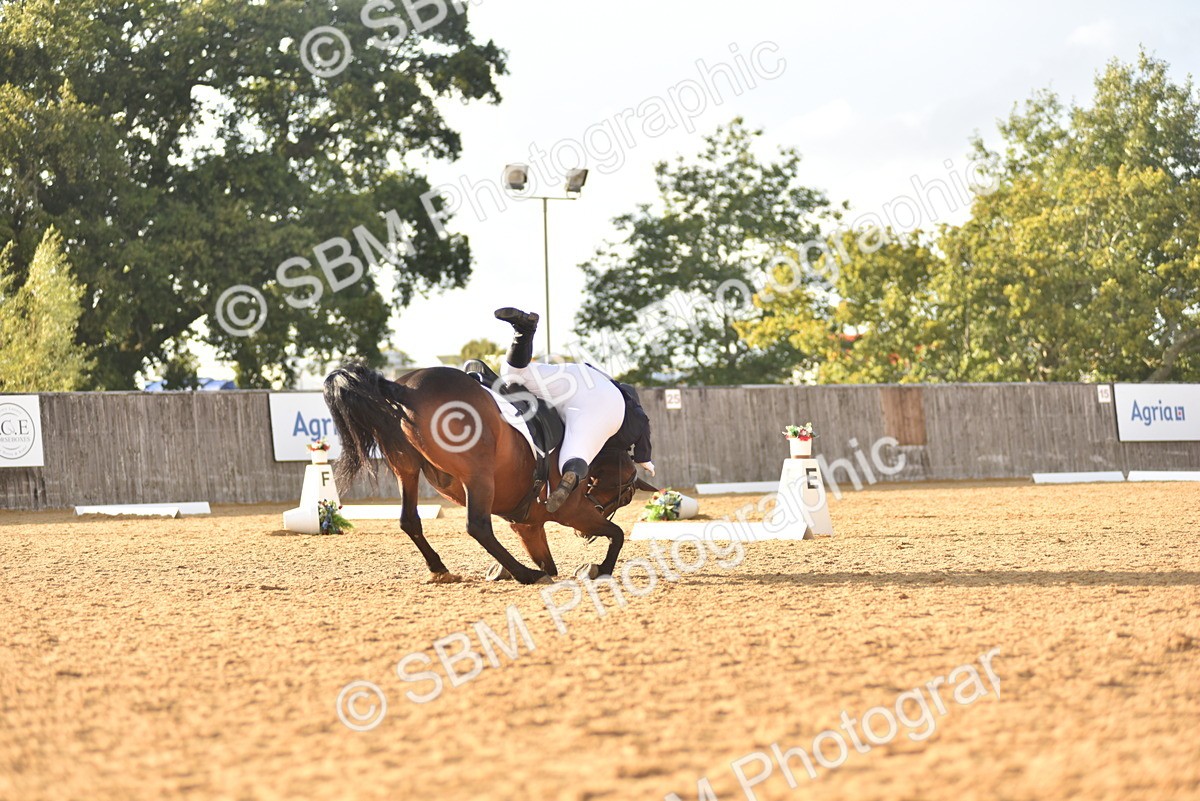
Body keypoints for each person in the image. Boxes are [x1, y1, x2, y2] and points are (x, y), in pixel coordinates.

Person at [494, 307, 654, 513]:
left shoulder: (618, 391)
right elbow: (644, 423)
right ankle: (565, 484)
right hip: (603, 404)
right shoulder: (629, 419)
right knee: (575, 452)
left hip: (582, 375)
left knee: (513, 374)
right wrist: (645, 459)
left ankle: (524, 331)